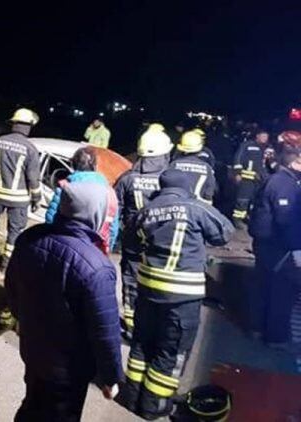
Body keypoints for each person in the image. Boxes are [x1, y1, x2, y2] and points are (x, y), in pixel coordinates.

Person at [116, 169, 233, 420]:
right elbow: (225, 232)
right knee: (171, 352)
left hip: (148, 294)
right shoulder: (196, 208)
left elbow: (130, 242)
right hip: (182, 299)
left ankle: (131, 398)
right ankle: (154, 406)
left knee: (141, 346)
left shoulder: (147, 210)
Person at [6, 181, 123, 422]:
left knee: (33, 405)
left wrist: (23, 321)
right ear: (95, 213)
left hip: (33, 350)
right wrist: (110, 377)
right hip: (69, 370)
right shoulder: (96, 267)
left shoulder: (30, 238)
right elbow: (105, 332)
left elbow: (12, 289)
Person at [114, 125, 171, 338]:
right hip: (162, 243)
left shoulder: (127, 178)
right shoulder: (169, 179)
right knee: (158, 285)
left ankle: (131, 326)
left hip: (133, 241)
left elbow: (115, 208)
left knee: (130, 281)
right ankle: (153, 326)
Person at [0, 108, 42, 268]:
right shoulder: (31, 149)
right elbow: (33, 179)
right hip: (19, 200)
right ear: (29, 126)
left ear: (13, 124)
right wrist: (36, 199)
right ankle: (6, 264)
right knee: (15, 232)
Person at [249, 145, 301, 350]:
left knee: (265, 288)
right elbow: (286, 219)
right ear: (295, 161)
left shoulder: (280, 179)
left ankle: (259, 329)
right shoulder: (284, 184)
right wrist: (297, 248)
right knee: (282, 292)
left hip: (268, 245)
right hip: (278, 247)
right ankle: (277, 338)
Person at [45, 146, 120, 254]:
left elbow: (51, 218)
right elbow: (112, 227)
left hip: (65, 247)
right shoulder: (110, 192)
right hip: (95, 251)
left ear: (73, 164)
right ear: (95, 166)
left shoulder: (66, 186)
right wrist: (106, 250)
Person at [232, 130, 272, 228]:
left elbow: (269, 164)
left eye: (266, 136)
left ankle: (250, 218)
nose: (264, 138)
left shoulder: (268, 148)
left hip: (261, 179)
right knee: (243, 200)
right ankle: (238, 220)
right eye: (263, 136)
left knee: (257, 200)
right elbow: (238, 158)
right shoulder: (247, 145)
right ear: (257, 136)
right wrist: (237, 173)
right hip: (246, 177)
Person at [170, 130, 217, 204]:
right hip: (198, 206)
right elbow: (209, 193)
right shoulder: (207, 167)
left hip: (176, 205)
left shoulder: (174, 164)